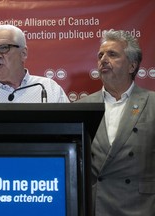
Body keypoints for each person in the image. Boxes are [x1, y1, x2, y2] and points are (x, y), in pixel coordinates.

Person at [76, 29, 155, 216]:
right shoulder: (81, 107)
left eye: (112, 54)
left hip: (142, 207)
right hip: (95, 207)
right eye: (100, 55)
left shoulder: (152, 103)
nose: (103, 59)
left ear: (131, 66)